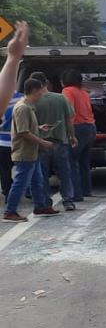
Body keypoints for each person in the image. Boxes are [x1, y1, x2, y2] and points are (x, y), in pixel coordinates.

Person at [3, 78, 59, 222]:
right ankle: (10, 211)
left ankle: (40, 206)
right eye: (41, 91)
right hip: (24, 152)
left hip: (32, 152)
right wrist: (43, 142)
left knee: (37, 180)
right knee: (20, 182)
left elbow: (26, 128)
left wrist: (39, 128)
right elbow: (23, 132)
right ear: (34, 91)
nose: (42, 94)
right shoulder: (23, 108)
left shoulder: (28, 106)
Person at [28, 71, 77, 211]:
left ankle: (46, 202)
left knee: (42, 175)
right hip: (60, 142)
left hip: (41, 143)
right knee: (64, 173)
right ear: (46, 83)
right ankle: (68, 201)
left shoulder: (33, 101)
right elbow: (69, 119)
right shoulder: (61, 98)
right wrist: (72, 136)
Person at [0, 21, 30, 198]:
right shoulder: (21, 99)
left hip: (2, 143)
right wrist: (13, 58)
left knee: (5, 173)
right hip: (16, 143)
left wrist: (13, 58)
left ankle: (8, 194)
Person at [62, 69, 96, 200]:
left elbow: (69, 112)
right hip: (90, 127)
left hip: (78, 128)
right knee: (84, 162)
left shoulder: (67, 91)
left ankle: (76, 194)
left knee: (71, 161)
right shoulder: (84, 92)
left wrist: (70, 133)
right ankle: (87, 189)